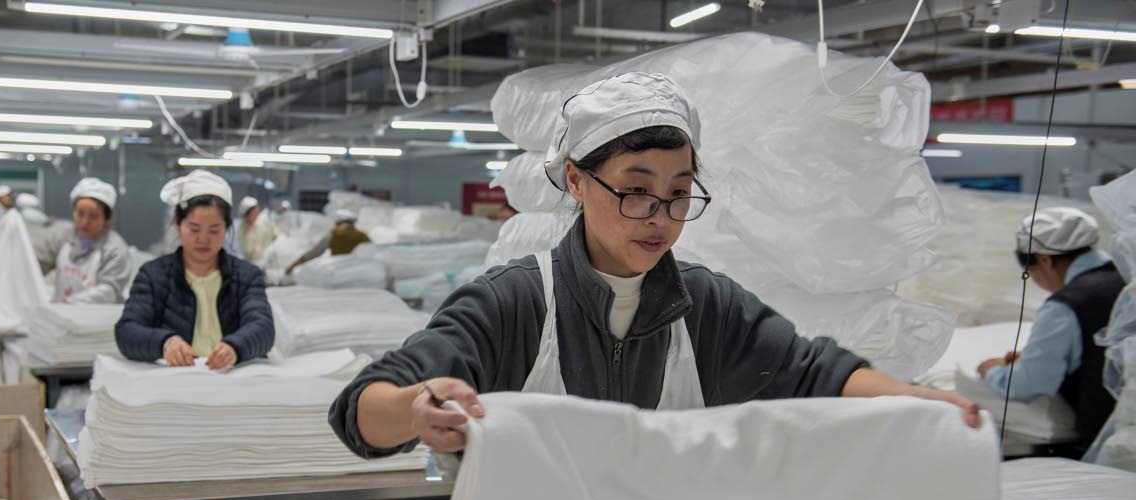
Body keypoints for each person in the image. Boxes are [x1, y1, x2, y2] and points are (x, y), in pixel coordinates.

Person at [330, 72, 979, 458]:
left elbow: (815, 372)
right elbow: (361, 407)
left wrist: (920, 400)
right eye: (636, 190)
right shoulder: (516, 303)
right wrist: (418, 408)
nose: (659, 215)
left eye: (677, 193)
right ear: (577, 183)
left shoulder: (705, 305)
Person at [977, 207, 1125, 450]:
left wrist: (993, 371)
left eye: (1028, 265)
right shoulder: (1126, 279)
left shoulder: (1066, 305)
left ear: (1044, 259)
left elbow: (1028, 385)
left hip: (1108, 445)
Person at [115, 170, 275, 370]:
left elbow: (263, 328)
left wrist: (236, 347)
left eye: (214, 230)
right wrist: (165, 343)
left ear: (227, 228)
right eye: (194, 228)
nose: (203, 239)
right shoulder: (154, 276)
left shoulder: (246, 276)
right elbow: (127, 331)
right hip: (177, 384)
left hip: (232, 383)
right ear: (178, 224)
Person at [41, 178, 133, 304]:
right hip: (62, 316)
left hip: (98, 319)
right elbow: (40, 264)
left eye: (93, 216)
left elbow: (109, 291)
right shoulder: (61, 237)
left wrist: (69, 303)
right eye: (80, 213)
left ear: (107, 219)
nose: (85, 222)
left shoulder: (115, 248)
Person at [235, 195, 279, 266]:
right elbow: (247, 250)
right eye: (253, 213)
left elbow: (276, 236)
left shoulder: (265, 221)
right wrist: (248, 231)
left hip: (269, 262)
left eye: (257, 211)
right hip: (252, 264)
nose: (256, 214)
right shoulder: (242, 229)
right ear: (246, 215)